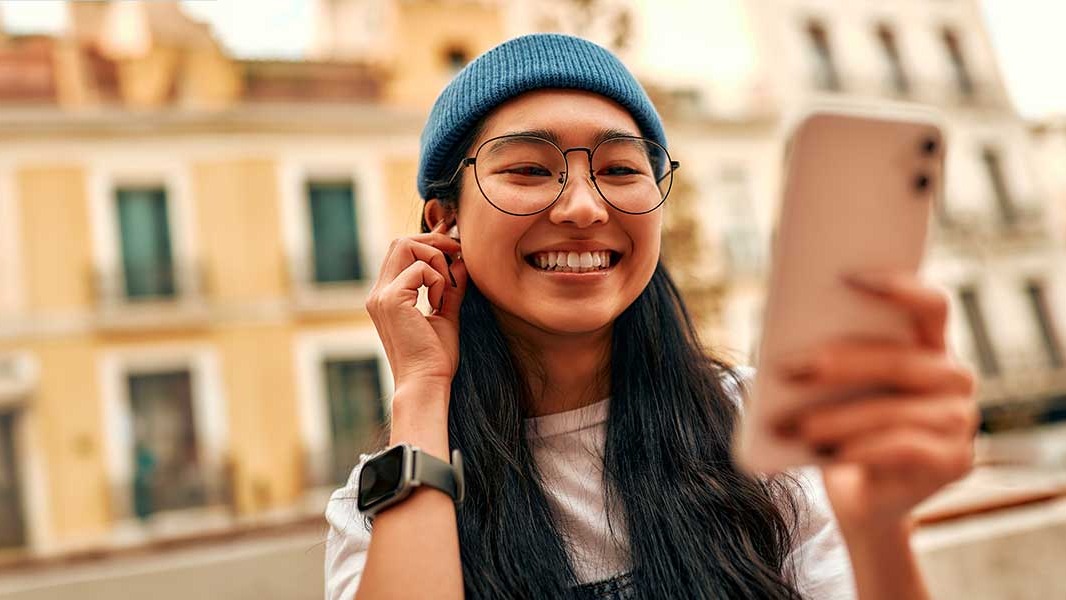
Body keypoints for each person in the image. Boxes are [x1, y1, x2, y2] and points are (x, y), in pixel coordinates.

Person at [324, 33, 978, 600]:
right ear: (445, 222)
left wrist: (879, 530)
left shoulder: (761, 423)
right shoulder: (386, 496)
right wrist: (420, 389)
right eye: (528, 168)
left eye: (620, 168)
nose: (583, 207)